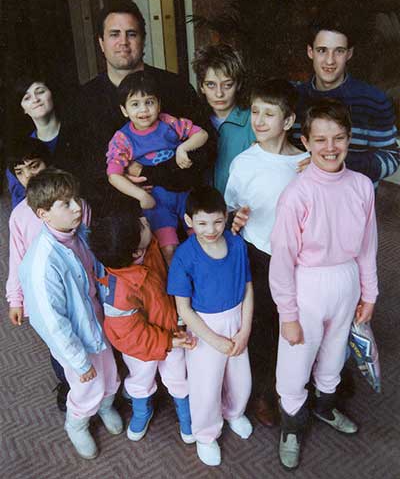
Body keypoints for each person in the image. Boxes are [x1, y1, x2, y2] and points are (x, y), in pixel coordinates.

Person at [269, 99, 378, 470]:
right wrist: (288, 314)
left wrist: (369, 293)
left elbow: (368, 245)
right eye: (320, 140)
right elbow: (282, 260)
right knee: (296, 361)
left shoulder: (362, 186)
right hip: (308, 286)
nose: (330, 148)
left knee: (334, 353)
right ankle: (292, 428)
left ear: (349, 140)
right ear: (305, 142)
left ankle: (325, 408)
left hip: (346, 280)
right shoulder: (297, 194)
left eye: (339, 138)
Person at [18, 168, 122, 460]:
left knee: (110, 373)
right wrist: (78, 361)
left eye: (75, 198)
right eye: (66, 204)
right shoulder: (41, 265)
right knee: (86, 385)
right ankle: (77, 423)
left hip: (98, 321)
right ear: (43, 214)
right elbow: (52, 324)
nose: (78, 207)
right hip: (75, 340)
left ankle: (105, 406)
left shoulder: (79, 233)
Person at [224, 79, 309, 426]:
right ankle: (265, 391)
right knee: (263, 326)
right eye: (255, 112)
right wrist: (235, 218)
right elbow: (230, 207)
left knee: (298, 323)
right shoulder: (244, 163)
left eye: (268, 114)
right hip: (259, 254)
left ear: (288, 121)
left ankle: (300, 385)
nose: (258, 121)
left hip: (301, 258)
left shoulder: (306, 162)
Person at [78, 1, 214, 216]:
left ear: (143, 41)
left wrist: (148, 173)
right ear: (101, 43)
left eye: (131, 34)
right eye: (114, 34)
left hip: (178, 204)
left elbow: (205, 151)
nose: (123, 42)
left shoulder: (176, 87)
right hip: (116, 215)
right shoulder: (84, 98)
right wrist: (123, 183)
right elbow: (76, 163)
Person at [89, 212, 196, 444]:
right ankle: (141, 409)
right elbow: (129, 334)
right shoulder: (119, 291)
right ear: (135, 252)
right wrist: (167, 342)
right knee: (141, 377)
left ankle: (186, 413)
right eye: (141, 225)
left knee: (178, 375)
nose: (145, 220)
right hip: (141, 346)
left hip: (171, 330)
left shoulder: (147, 248)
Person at [167, 187, 254, 467]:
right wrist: (214, 339)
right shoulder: (184, 256)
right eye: (202, 223)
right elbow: (183, 308)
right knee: (206, 385)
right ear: (189, 221)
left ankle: (234, 412)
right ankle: (206, 434)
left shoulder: (237, 245)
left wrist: (245, 329)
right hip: (204, 327)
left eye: (217, 221)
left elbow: (248, 287)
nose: (211, 229)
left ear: (226, 217)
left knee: (241, 378)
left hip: (237, 319)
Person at [6, 138, 91, 411]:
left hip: (80, 282)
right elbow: (16, 258)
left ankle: (103, 388)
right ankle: (66, 383)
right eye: (20, 171)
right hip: (46, 287)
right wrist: (15, 299)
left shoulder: (76, 206)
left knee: (89, 330)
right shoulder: (19, 216)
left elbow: (88, 245)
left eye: (34, 166)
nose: (29, 176)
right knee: (59, 339)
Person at [107, 71, 208, 264]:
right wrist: (141, 195)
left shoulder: (168, 123)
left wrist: (183, 148)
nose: (143, 110)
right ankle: (178, 287)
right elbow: (113, 175)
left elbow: (202, 134)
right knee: (169, 248)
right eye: (135, 104)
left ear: (158, 104)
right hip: (156, 201)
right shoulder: (123, 138)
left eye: (149, 102)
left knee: (201, 239)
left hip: (184, 194)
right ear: (124, 110)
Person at [294, 18, 399, 187]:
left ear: (349, 53)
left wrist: (340, 163)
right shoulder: (295, 98)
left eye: (339, 51)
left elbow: (392, 157)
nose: (330, 61)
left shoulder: (373, 100)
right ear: (310, 51)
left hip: (354, 205)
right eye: (322, 50)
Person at [7, 76, 80, 209]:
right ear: (23, 108)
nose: (35, 99)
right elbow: (20, 203)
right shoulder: (20, 150)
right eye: (27, 98)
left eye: (40, 92)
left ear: (51, 94)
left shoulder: (80, 133)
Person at [192, 44, 255, 194]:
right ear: (201, 86)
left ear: (238, 84)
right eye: (211, 85)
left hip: (243, 209)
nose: (219, 94)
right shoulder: (193, 122)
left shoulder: (254, 121)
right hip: (204, 212)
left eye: (227, 85)